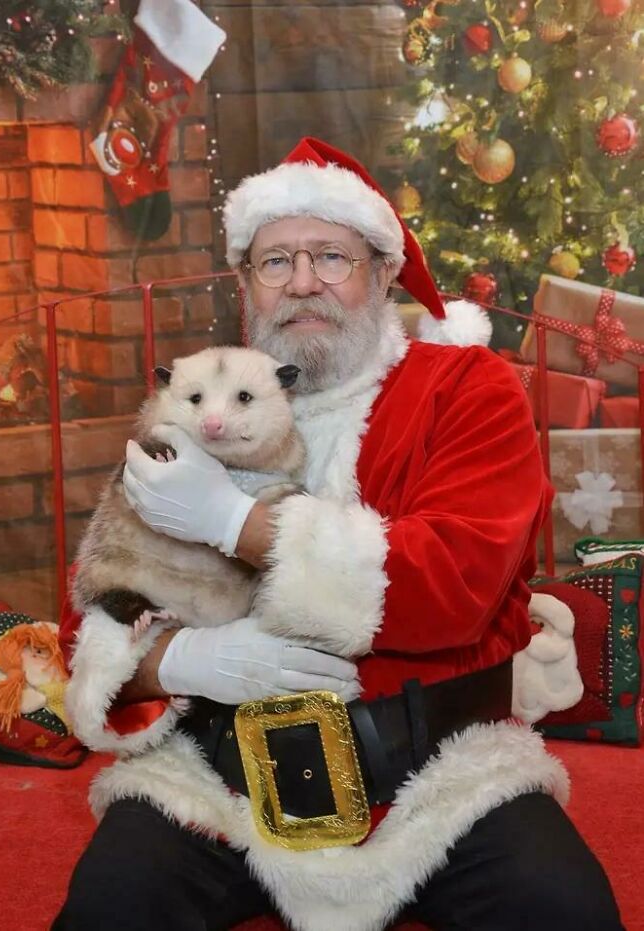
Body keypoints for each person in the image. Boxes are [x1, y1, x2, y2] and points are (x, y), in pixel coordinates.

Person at [54, 137, 622, 931]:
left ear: (383, 272)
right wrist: (177, 660)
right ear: (247, 283)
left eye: (330, 256)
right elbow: (96, 601)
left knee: (565, 910)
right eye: (275, 261)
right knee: (110, 908)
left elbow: (452, 582)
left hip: (443, 777)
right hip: (218, 777)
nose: (302, 283)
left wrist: (234, 522)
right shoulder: (204, 404)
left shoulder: (468, 389)